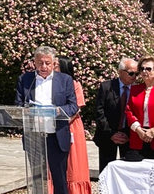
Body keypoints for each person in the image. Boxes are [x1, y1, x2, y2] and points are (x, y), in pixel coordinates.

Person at [15, 45, 78, 194]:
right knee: (37, 179)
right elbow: (18, 105)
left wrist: (58, 111)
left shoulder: (65, 80)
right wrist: (27, 111)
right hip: (34, 136)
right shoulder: (25, 79)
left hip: (56, 136)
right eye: (40, 63)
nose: (44, 66)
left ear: (54, 63)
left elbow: (73, 106)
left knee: (59, 179)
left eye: (47, 63)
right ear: (34, 63)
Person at [94, 57, 138, 170]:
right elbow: (99, 112)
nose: (134, 77)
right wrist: (112, 134)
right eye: (131, 73)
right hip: (107, 135)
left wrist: (128, 134)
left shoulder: (137, 89)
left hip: (129, 136)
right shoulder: (106, 87)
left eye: (136, 74)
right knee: (106, 170)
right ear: (120, 72)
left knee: (128, 170)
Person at [57, 57, 91, 194]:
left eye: (55, 65)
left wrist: (60, 121)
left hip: (70, 126)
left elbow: (76, 108)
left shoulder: (74, 84)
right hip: (52, 127)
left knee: (73, 164)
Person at [126, 56, 154, 161]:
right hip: (138, 137)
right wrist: (138, 130)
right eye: (142, 69)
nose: (144, 71)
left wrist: (153, 131)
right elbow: (128, 111)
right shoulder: (135, 89)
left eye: (148, 69)